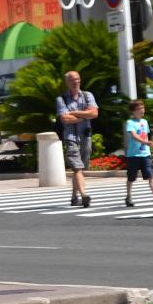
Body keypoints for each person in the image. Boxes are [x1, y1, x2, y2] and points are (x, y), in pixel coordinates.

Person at [56, 70, 98, 208]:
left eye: (78, 79)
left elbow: (94, 113)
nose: (76, 82)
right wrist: (84, 116)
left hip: (85, 136)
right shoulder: (61, 99)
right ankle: (84, 195)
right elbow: (65, 118)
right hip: (71, 137)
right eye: (73, 80)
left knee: (80, 168)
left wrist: (74, 113)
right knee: (77, 168)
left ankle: (74, 197)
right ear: (67, 82)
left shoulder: (87, 95)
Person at [124, 100, 153, 208]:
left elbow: (146, 135)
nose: (142, 110)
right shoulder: (130, 123)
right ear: (133, 111)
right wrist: (146, 142)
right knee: (131, 178)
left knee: (150, 175)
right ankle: (128, 197)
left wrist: (149, 147)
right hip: (133, 155)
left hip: (145, 154)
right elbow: (133, 136)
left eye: (143, 108)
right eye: (139, 108)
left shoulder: (145, 122)